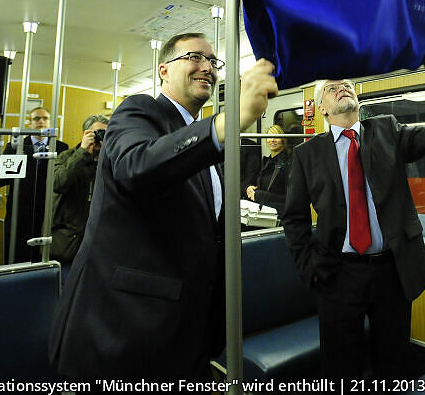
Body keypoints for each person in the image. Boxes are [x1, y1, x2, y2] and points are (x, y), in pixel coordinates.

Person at [49, 32, 278, 380]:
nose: (207, 68)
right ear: (164, 70)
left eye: (213, 62)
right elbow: (137, 168)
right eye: (195, 58)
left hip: (186, 326)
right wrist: (228, 121)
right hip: (127, 325)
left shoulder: (210, 145)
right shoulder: (139, 112)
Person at [281, 58, 425, 380]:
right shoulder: (307, 155)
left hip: (391, 270)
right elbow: (293, 219)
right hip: (337, 272)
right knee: (340, 367)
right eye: (332, 89)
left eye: (346, 84)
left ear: (357, 97)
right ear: (321, 108)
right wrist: (311, 268)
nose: (342, 88)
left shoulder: (388, 131)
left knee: (393, 363)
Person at [0, 106, 68, 263]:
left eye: (45, 118)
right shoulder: (16, 147)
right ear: (29, 123)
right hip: (20, 212)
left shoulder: (61, 148)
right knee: (17, 257)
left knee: (45, 258)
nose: (41, 121)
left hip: (48, 212)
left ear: (50, 122)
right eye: (36, 118)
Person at [50, 114, 108, 284]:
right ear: (86, 133)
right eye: (99, 133)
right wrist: (83, 153)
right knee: (66, 293)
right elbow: (59, 183)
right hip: (70, 242)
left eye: (107, 133)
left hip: (100, 242)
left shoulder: (110, 159)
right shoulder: (66, 156)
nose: (102, 138)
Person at [245, 124, 292, 215]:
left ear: (283, 140)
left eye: (276, 137)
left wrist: (260, 195)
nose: (272, 140)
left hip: (280, 215)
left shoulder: (288, 163)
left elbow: (289, 197)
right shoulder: (267, 162)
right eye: (269, 137)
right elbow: (264, 186)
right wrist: (251, 188)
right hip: (265, 212)